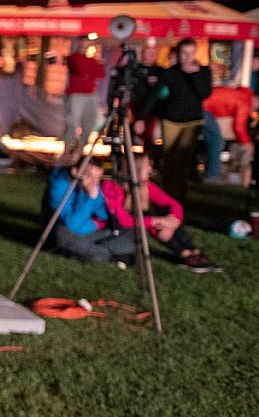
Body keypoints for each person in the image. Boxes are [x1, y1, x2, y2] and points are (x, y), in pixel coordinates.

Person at [103, 154, 219, 272]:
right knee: (151, 215)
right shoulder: (112, 187)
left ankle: (191, 251)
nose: (151, 169)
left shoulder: (145, 185)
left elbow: (173, 204)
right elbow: (123, 220)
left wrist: (172, 222)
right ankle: (184, 253)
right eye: (147, 165)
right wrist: (160, 222)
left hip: (137, 226)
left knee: (164, 211)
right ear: (135, 169)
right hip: (111, 230)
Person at [148, 38, 212, 205]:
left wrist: (195, 74)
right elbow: (154, 95)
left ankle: (180, 194)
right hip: (171, 120)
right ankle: (169, 193)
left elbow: (204, 94)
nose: (188, 57)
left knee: (184, 158)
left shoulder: (203, 71)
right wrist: (142, 117)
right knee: (170, 157)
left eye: (191, 53)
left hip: (192, 122)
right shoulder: (170, 72)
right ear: (178, 53)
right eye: (184, 53)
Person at [41, 157, 136, 266]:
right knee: (62, 234)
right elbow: (72, 224)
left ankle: (97, 252)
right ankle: (111, 256)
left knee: (132, 234)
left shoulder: (93, 186)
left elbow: (103, 215)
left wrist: (108, 200)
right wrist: (89, 197)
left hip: (86, 233)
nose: (94, 182)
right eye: (90, 176)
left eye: (98, 178)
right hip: (64, 233)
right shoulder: (59, 186)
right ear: (75, 171)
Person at [203, 82, 254, 185]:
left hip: (203, 104)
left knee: (214, 140)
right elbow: (239, 126)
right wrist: (247, 143)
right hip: (203, 107)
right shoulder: (245, 103)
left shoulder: (242, 94)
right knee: (217, 141)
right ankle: (211, 176)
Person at [63, 44, 106, 149]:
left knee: (90, 122)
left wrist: (98, 61)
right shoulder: (73, 58)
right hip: (76, 94)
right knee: (72, 122)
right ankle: (67, 147)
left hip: (90, 94)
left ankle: (81, 148)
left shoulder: (92, 61)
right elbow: (78, 70)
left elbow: (101, 74)